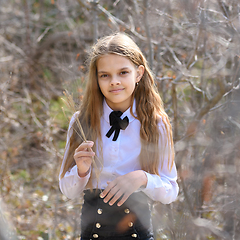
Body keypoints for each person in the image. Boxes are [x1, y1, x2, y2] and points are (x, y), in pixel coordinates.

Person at [59, 32, 179, 240]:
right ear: (96, 78)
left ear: (139, 73)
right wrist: (81, 171)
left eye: (123, 72)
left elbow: (170, 191)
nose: (114, 81)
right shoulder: (81, 120)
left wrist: (141, 178)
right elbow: (67, 190)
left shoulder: (156, 123)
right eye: (105, 75)